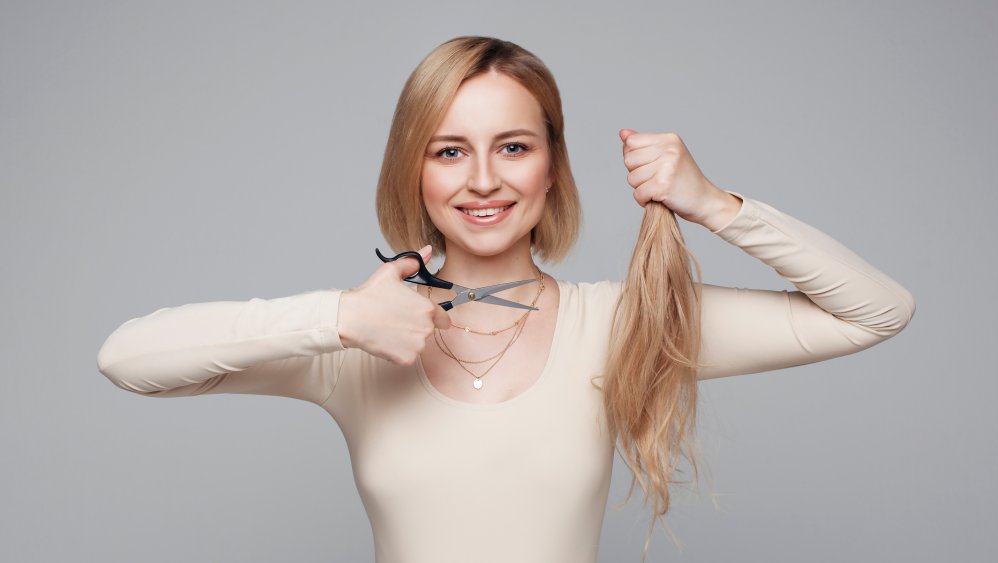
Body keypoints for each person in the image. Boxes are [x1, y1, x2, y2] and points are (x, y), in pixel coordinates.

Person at [96, 36, 916, 563]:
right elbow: (128, 359)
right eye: (449, 150)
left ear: (551, 165)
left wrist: (714, 204)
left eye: (512, 147)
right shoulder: (359, 341)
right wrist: (340, 317)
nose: (483, 179)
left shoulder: (622, 323)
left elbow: (875, 310)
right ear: (414, 169)